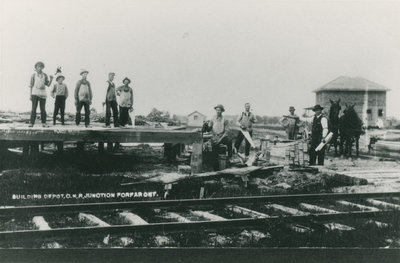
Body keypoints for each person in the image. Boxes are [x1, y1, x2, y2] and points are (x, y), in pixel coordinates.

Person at [28, 61, 54, 127]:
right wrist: (30, 95)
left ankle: (44, 123)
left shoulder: (45, 75)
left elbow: (48, 84)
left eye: (41, 67)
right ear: (36, 67)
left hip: (43, 94)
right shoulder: (33, 75)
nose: (39, 68)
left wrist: (51, 79)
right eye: (38, 67)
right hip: (34, 93)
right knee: (34, 108)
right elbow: (31, 85)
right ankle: (31, 123)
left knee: (43, 109)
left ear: (42, 67)